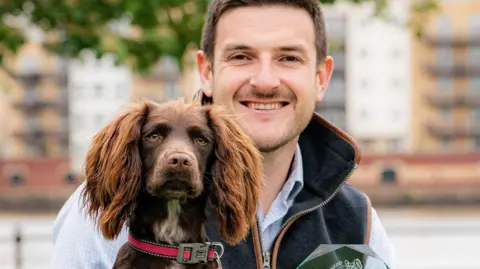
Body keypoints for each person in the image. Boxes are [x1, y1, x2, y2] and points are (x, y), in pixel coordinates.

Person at [52, 0, 396, 268]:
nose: (264, 81)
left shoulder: (357, 221)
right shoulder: (110, 204)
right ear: (206, 71)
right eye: (241, 56)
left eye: (288, 58)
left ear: (321, 78)